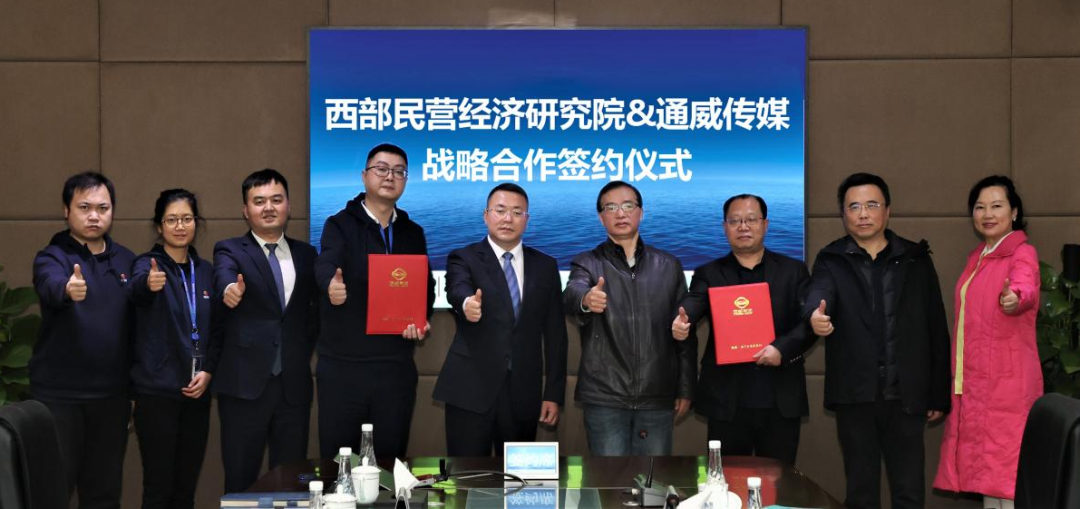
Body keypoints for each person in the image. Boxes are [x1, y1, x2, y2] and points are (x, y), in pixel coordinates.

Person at [804, 172, 951, 509]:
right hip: (855, 395)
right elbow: (819, 293)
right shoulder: (831, 258)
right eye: (854, 207)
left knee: (909, 491)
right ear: (843, 214)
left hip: (907, 394)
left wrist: (938, 393)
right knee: (861, 491)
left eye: (871, 205)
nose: (863, 214)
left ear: (887, 210)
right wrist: (815, 314)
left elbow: (935, 326)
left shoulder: (915, 258)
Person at [315, 143, 435, 460]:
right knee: (341, 463)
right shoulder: (338, 224)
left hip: (395, 367)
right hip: (344, 367)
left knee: (388, 463)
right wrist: (330, 286)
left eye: (399, 171)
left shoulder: (413, 232)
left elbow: (426, 285)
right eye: (381, 169)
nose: (390, 177)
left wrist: (420, 318)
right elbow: (326, 264)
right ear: (364, 176)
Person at [672, 194, 812, 465]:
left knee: (779, 481)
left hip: (780, 397)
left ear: (765, 224)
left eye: (751, 219)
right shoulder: (709, 273)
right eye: (735, 221)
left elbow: (808, 324)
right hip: (727, 399)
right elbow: (694, 302)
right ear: (725, 227)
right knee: (727, 480)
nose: (743, 227)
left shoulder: (793, 271)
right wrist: (681, 321)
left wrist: (782, 350)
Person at [433, 183, 568, 456]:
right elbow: (456, 288)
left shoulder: (545, 265)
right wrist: (466, 304)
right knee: (467, 473)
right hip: (470, 388)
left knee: (516, 476)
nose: (508, 218)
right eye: (500, 210)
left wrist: (553, 393)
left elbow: (556, 334)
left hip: (523, 392)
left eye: (517, 212)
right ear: (486, 215)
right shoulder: (464, 257)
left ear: (527, 219)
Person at [933, 176, 1042, 509]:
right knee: (987, 481)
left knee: (1007, 480)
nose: (987, 214)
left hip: (1007, 389)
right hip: (977, 385)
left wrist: (1015, 297)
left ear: (1014, 212)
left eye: (996, 206)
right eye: (980, 207)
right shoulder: (979, 256)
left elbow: (1025, 286)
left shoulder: (1022, 253)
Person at [562, 181, 694, 456]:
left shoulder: (668, 265)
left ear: (641, 212)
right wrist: (586, 299)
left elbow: (684, 330)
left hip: (657, 393)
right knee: (609, 478)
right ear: (601, 217)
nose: (620, 213)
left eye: (628, 205)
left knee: (653, 478)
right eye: (611, 207)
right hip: (605, 395)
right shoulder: (587, 262)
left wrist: (685, 388)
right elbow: (571, 293)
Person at [206, 169, 319, 493]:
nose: (268, 207)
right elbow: (224, 276)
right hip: (244, 387)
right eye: (259, 201)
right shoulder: (230, 249)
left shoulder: (307, 255)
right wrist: (229, 289)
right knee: (240, 481)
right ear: (246, 210)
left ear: (288, 205)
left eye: (276, 200)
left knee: (291, 481)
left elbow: (313, 317)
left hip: (293, 387)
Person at [31, 171, 135, 508]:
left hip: (112, 399)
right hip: (59, 399)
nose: (94, 216)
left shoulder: (127, 260)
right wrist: (66, 288)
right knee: (53, 491)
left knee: (104, 493)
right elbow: (50, 283)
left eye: (103, 208)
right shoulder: (52, 257)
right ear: (66, 210)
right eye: (84, 207)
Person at [129, 189, 214, 509]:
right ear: (159, 226)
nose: (180, 226)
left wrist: (208, 370)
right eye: (172, 219)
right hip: (157, 393)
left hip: (197, 393)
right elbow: (136, 289)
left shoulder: (205, 271)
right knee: (158, 488)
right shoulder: (146, 265)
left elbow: (217, 329)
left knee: (185, 490)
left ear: (197, 223)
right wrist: (147, 284)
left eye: (187, 219)